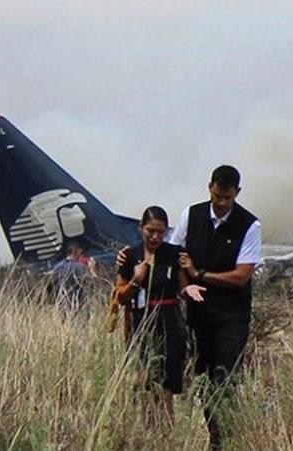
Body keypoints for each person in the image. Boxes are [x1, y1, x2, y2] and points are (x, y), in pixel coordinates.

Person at [170, 165, 262, 449]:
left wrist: (200, 275)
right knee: (202, 376)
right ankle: (215, 435)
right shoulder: (191, 215)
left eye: (227, 198)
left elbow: (241, 276)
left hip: (231, 314)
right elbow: (176, 255)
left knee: (224, 375)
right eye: (217, 196)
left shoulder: (250, 225)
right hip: (198, 313)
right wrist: (185, 286)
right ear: (210, 187)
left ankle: (225, 439)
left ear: (237, 193)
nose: (221, 203)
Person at [115, 206, 205, 424]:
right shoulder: (129, 255)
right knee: (145, 378)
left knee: (166, 381)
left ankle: (166, 429)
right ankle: (148, 428)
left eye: (160, 232)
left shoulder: (174, 253)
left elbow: (182, 287)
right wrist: (136, 280)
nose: (155, 237)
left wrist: (188, 289)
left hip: (170, 321)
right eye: (150, 231)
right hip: (141, 321)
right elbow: (120, 297)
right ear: (141, 228)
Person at [50, 240, 92, 308]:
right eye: (79, 252)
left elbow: (52, 286)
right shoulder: (80, 267)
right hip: (77, 305)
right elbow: (91, 285)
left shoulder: (56, 267)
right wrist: (92, 270)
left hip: (62, 305)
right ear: (75, 251)